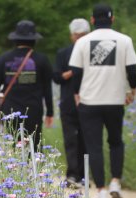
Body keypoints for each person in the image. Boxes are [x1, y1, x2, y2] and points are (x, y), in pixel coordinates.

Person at [69, 3, 136, 198]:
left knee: (94, 145)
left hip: (89, 100)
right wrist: (131, 90)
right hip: (115, 100)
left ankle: (100, 189)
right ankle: (115, 181)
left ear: (92, 21)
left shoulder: (83, 42)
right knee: (116, 141)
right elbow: (132, 70)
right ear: (112, 19)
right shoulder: (124, 40)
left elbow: (76, 72)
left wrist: (76, 93)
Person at [0, 20, 54, 152]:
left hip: (9, 111)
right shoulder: (41, 60)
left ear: (15, 40)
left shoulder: (3, 59)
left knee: (12, 146)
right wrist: (50, 112)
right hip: (33, 110)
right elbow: (47, 88)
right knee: (34, 145)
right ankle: (35, 171)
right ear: (34, 40)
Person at [54, 18, 90, 187]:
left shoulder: (92, 52)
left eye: (82, 36)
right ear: (71, 37)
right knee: (70, 140)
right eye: (76, 36)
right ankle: (72, 175)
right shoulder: (64, 53)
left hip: (87, 101)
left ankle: (84, 175)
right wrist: (72, 72)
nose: (79, 39)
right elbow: (56, 77)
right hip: (68, 102)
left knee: (86, 140)